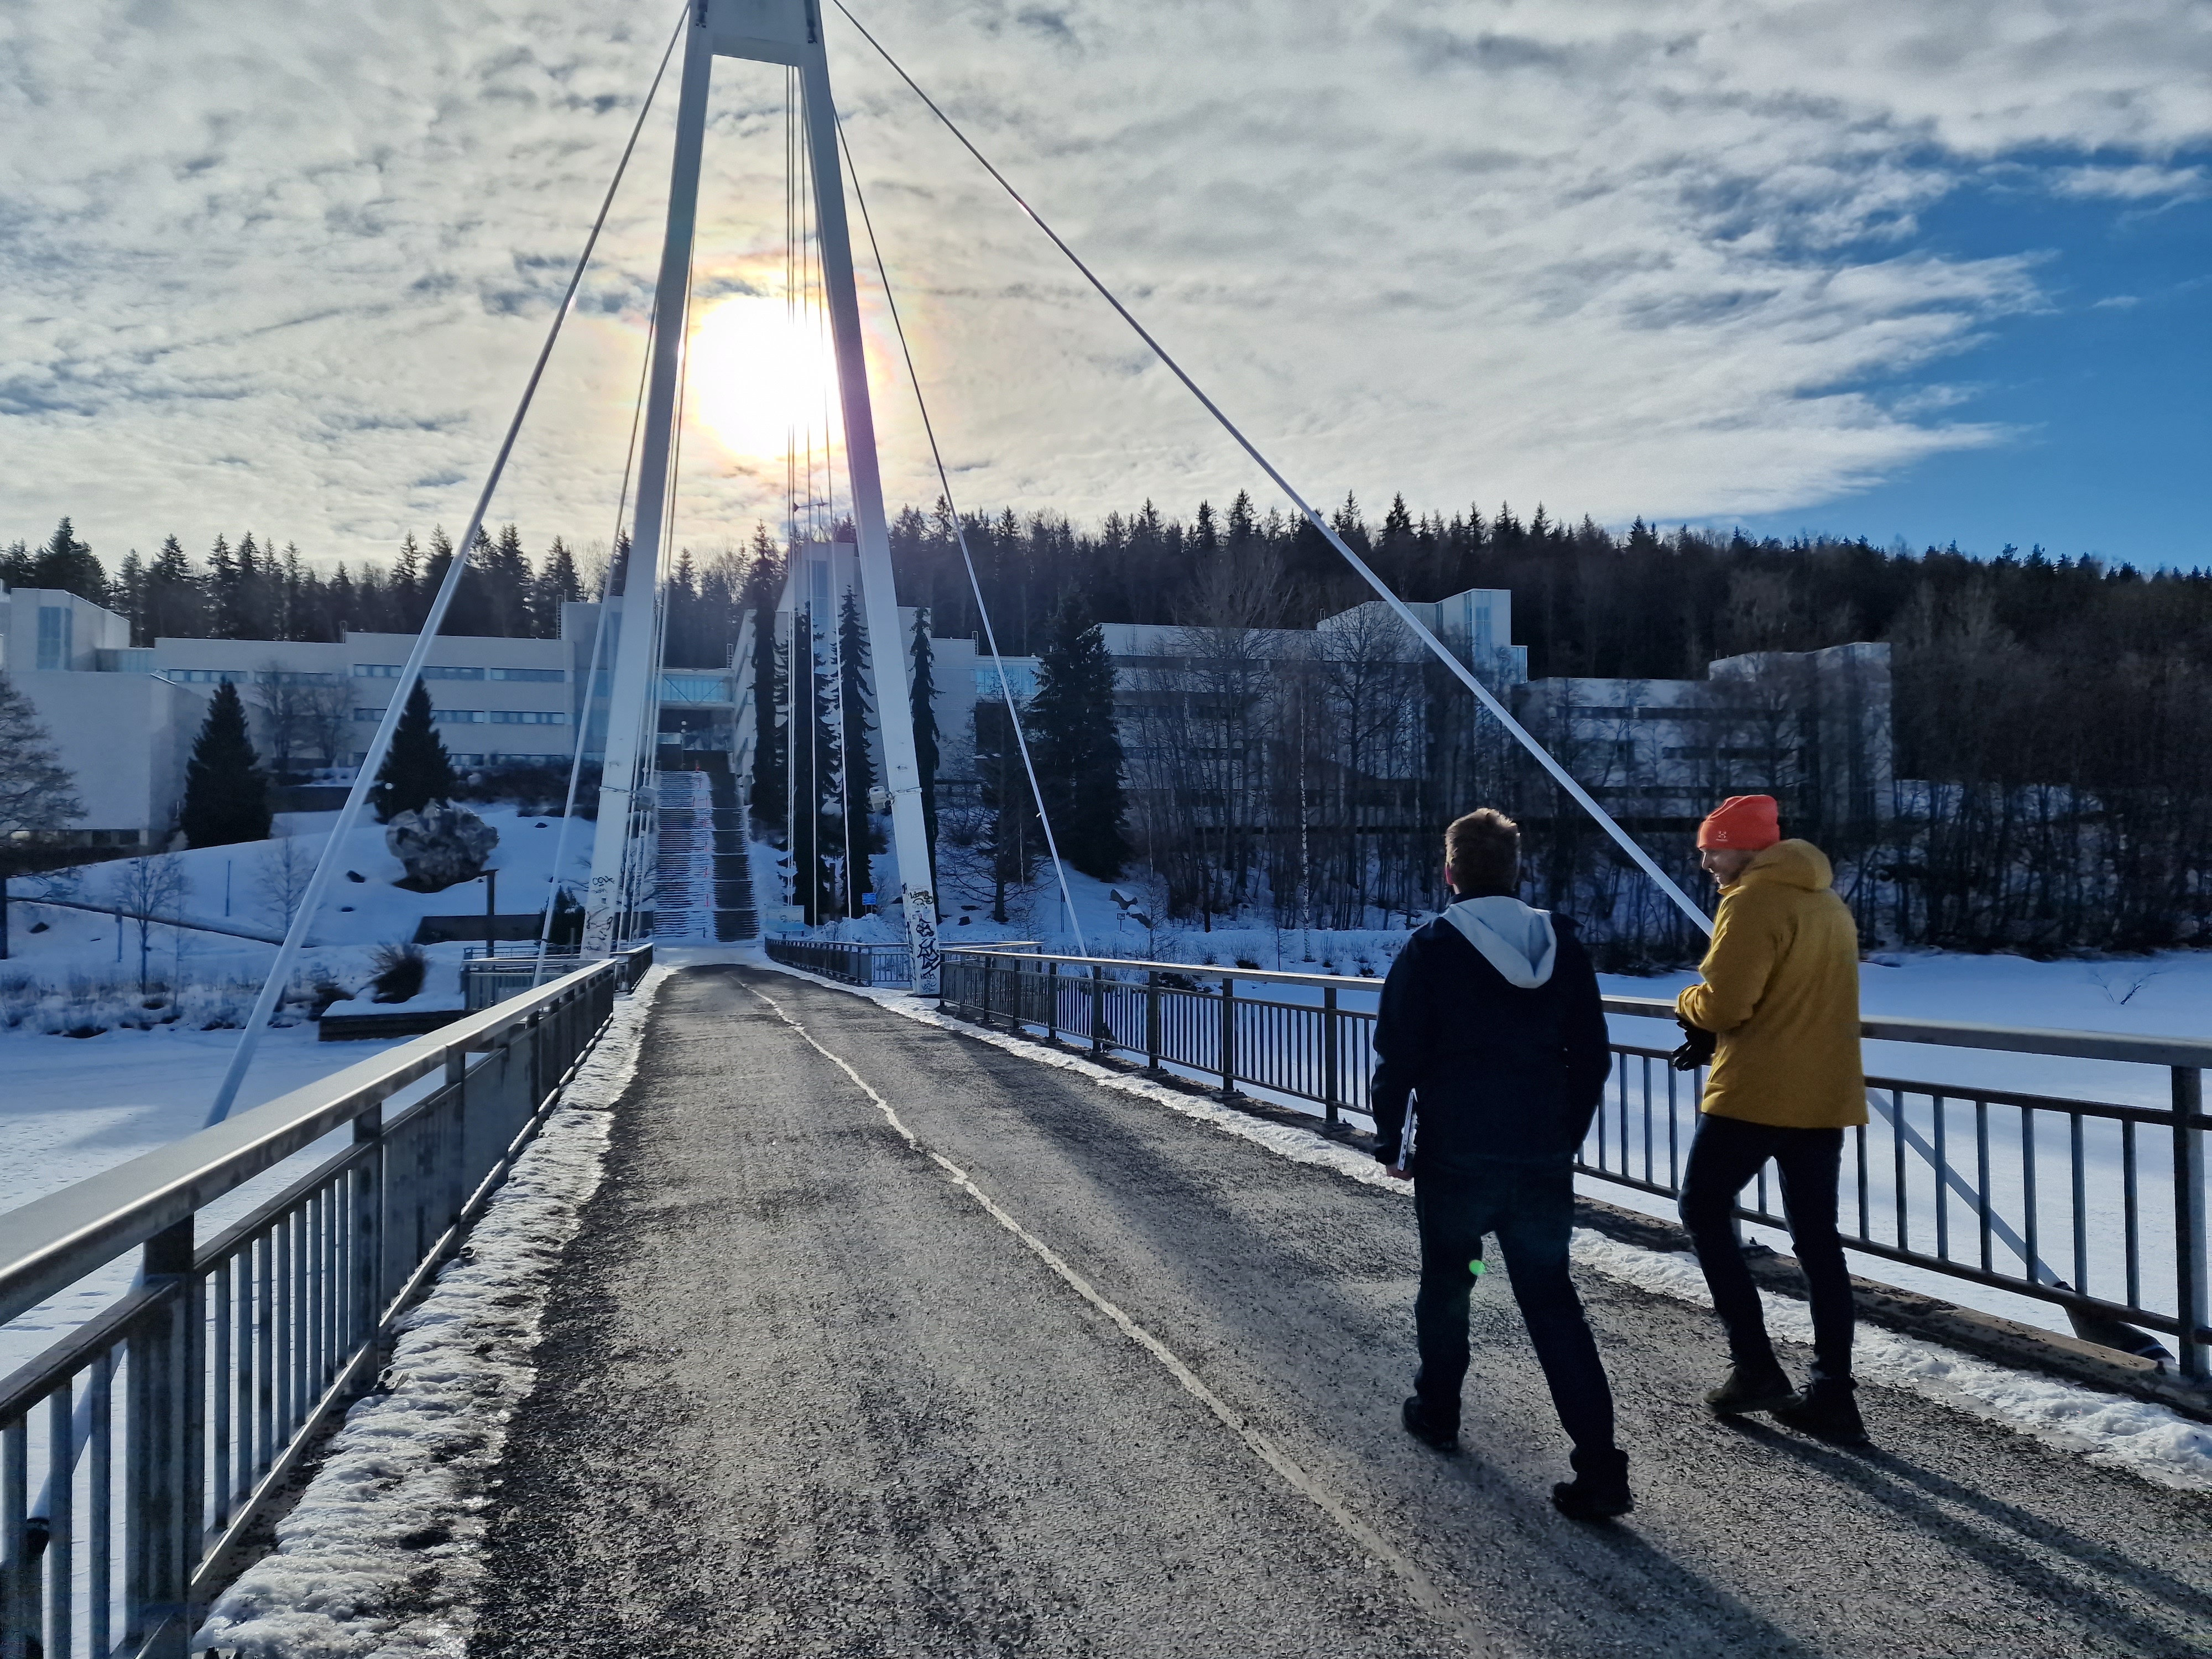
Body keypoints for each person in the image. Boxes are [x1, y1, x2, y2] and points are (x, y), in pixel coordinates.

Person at [1371, 808, 1629, 1519]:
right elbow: (1592, 1057)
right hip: (1540, 1159)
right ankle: (1601, 1467)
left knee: (1449, 1284)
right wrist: (1561, 1136)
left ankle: (1439, 1409)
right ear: (1518, 870)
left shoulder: (1430, 949)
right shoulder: (1561, 944)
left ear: (1450, 872)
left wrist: (1391, 1140)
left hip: (1457, 1155)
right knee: (1552, 1302)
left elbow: (1399, 1057)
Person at [1673, 794, 1870, 1443]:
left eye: (1713, 847)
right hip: (1824, 1094)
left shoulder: (1753, 899)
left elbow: (1727, 1003)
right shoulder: (1826, 902)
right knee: (1818, 1240)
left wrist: (1687, 1004)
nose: (1704, 860)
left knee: (1702, 1206)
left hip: (1757, 1091)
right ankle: (1832, 1394)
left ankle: (1755, 1366)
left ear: (1743, 848)